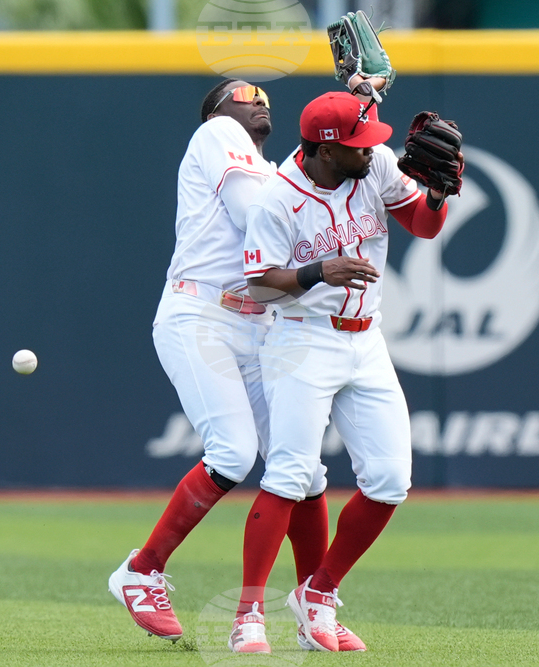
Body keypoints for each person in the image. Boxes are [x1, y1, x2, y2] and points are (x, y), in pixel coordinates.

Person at [108, 79, 338, 650]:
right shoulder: (216, 134)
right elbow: (256, 215)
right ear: (217, 109)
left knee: (302, 469)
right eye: (245, 93)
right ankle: (142, 570)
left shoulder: (275, 171)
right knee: (233, 453)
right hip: (200, 313)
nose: (259, 101)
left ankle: (314, 605)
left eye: (264, 98)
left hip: (260, 325)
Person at [235, 91, 453, 652]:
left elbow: (423, 226)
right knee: (289, 475)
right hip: (302, 338)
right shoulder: (277, 198)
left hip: (367, 340)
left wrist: (435, 196)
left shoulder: (373, 166)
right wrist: (318, 271)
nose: (373, 150)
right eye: (358, 145)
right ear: (325, 152)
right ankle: (248, 615)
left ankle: (319, 593)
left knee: (390, 480)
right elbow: (259, 286)